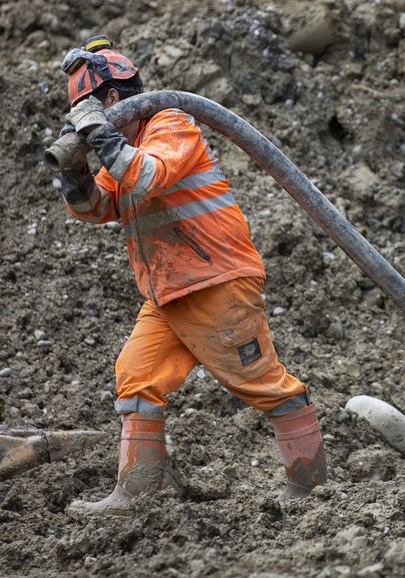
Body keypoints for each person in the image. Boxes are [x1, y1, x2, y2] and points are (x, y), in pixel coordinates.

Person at [57, 35, 327, 517]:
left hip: (215, 281)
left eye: (88, 107)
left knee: (263, 384)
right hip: (167, 292)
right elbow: (96, 207)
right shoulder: (124, 145)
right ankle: (133, 495)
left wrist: (99, 135)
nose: (84, 119)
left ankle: (310, 485)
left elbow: (147, 176)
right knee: (136, 376)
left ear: (114, 100)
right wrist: (76, 171)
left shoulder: (169, 124)